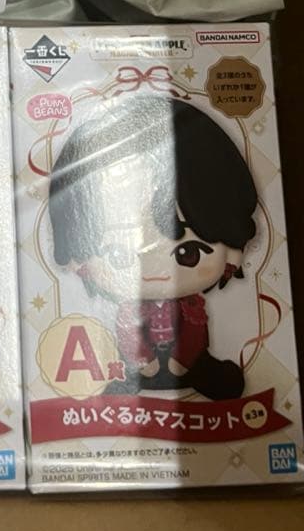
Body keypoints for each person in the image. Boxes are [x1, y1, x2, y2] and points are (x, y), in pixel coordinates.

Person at [49, 95, 255, 400]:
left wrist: (183, 362)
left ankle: (195, 370)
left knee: (197, 353)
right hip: (137, 363)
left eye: (188, 253)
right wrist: (142, 361)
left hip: (189, 360)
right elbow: (127, 333)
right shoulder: (129, 309)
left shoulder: (191, 306)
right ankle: (135, 373)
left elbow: (195, 333)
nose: (155, 270)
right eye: (118, 255)